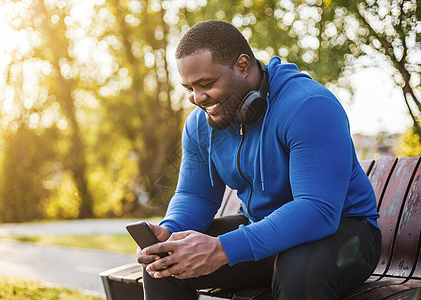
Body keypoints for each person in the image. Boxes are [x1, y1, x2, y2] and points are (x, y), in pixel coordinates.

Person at [137, 20, 382, 300]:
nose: (197, 98)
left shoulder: (309, 106)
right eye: (189, 88)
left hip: (345, 230)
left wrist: (222, 249)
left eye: (206, 84)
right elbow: (195, 195)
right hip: (262, 228)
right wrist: (170, 230)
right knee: (165, 261)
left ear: (243, 65)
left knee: (298, 271)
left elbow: (317, 209)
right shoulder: (199, 125)